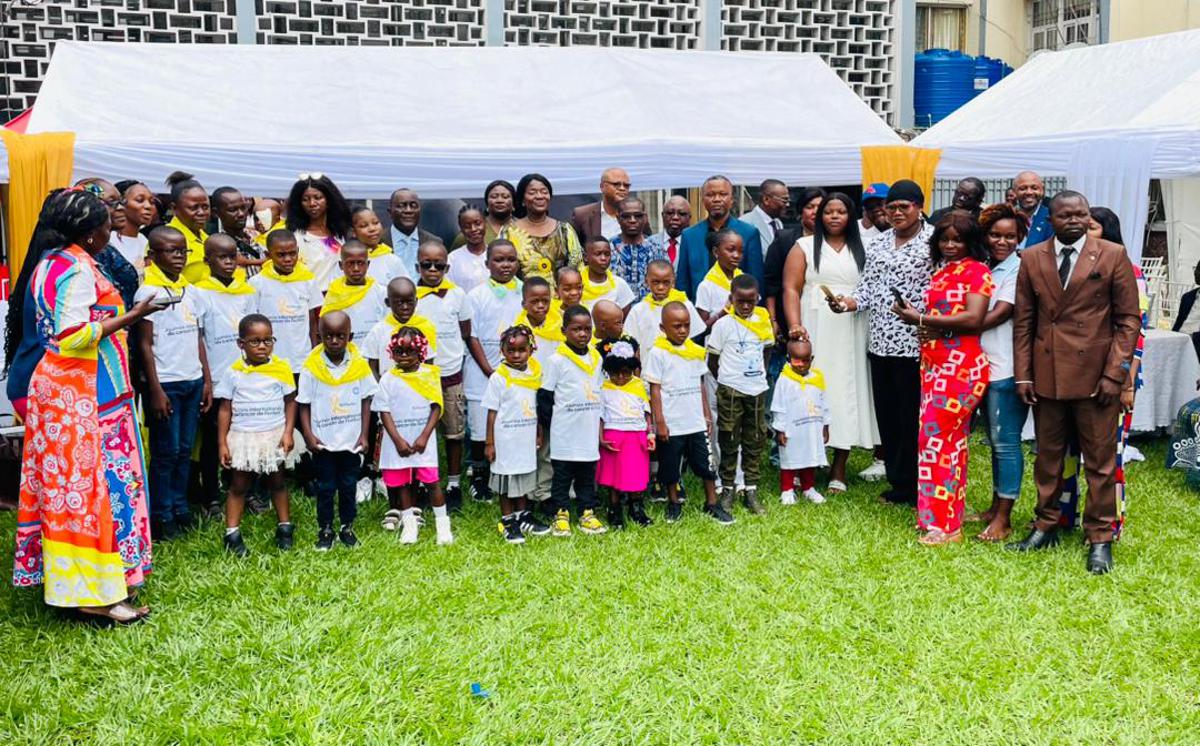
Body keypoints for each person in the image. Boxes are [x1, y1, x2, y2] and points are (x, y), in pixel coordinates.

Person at [9, 188, 159, 624]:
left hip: (64, 394)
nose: (111, 228)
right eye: (107, 223)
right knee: (91, 494)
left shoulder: (48, 262)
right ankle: (96, 595)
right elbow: (72, 335)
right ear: (92, 233)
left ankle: (80, 586)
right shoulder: (74, 269)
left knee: (68, 495)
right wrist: (133, 315)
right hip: (81, 398)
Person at [1008, 190, 1142, 574]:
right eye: (1065, 215)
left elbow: (1128, 320)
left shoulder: (1112, 254)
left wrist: (1115, 374)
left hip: (1097, 376)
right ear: (1050, 219)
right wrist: (1024, 373)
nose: (1075, 221)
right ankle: (1045, 524)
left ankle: (1100, 536)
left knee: (1099, 463)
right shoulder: (1032, 257)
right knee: (1048, 458)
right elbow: (1024, 322)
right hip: (1047, 374)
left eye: (1081, 214)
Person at [827, 179, 934, 507]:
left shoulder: (933, 241)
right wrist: (847, 303)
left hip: (915, 344)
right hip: (880, 343)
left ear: (919, 207)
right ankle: (899, 484)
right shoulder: (878, 244)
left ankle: (919, 485)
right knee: (888, 417)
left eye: (905, 207)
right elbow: (868, 288)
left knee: (911, 417)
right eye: (892, 207)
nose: (897, 212)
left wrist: (928, 319)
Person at [893, 212, 993, 545]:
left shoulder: (977, 271)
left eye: (958, 239)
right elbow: (942, 319)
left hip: (961, 367)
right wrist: (924, 323)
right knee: (939, 442)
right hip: (935, 364)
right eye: (944, 239)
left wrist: (920, 317)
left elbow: (975, 318)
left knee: (941, 442)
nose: (950, 245)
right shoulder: (944, 271)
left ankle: (947, 526)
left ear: (970, 242)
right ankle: (937, 515)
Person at [781, 192, 880, 491]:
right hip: (816, 324)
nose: (834, 217)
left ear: (850, 216)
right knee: (810, 390)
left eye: (841, 212)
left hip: (852, 325)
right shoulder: (803, 246)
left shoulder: (865, 247)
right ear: (819, 216)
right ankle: (801, 465)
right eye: (828, 212)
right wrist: (795, 325)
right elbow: (790, 289)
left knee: (847, 391)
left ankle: (839, 467)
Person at [134, 226, 212, 540]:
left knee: (183, 450)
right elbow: (144, 346)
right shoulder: (147, 292)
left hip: (192, 380)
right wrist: (154, 389)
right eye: (170, 250)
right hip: (165, 384)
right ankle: (161, 515)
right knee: (165, 453)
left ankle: (181, 508)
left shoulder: (191, 291)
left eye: (183, 250)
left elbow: (198, 337)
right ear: (152, 256)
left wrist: (206, 379)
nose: (178, 256)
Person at [215, 314, 297, 557]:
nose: (262, 346)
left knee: (277, 481)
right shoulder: (234, 373)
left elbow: (291, 402)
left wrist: (289, 431)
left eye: (267, 340)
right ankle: (232, 533)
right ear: (241, 344)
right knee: (239, 484)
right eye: (255, 341)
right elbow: (225, 408)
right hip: (244, 437)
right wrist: (222, 442)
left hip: (274, 434)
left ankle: (284, 527)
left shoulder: (281, 369)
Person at [970, 203, 1028, 542]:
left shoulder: (1019, 270)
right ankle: (994, 508)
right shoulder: (983, 268)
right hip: (979, 365)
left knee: (1006, 443)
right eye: (995, 234)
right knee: (993, 442)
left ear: (1020, 237)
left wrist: (946, 327)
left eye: (1010, 236)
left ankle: (1004, 519)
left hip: (1005, 367)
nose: (1001, 241)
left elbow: (997, 315)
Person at [297, 311, 377, 551]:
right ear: (319, 336)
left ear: (349, 337)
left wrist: (364, 434)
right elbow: (304, 404)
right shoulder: (311, 368)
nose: (334, 341)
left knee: (348, 485)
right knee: (325, 487)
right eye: (328, 336)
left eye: (340, 336)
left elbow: (366, 401)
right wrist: (309, 436)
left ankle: (347, 526)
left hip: (351, 440)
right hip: (324, 442)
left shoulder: (359, 366)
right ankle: (326, 529)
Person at [192, 234, 257, 517]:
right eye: (222, 257)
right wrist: (207, 380)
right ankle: (210, 496)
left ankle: (243, 488)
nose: (230, 262)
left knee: (243, 436)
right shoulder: (199, 292)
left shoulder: (247, 291)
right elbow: (199, 337)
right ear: (208, 261)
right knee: (211, 439)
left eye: (233, 256)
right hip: (216, 380)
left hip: (244, 378)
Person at [644, 302, 726, 524]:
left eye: (686, 326)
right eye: (676, 326)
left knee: (706, 465)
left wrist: (706, 414)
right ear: (663, 328)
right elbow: (655, 388)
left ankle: (712, 503)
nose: (682, 330)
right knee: (670, 466)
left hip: (696, 421)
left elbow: (700, 384)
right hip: (672, 423)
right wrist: (659, 421)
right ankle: (674, 502)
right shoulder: (658, 353)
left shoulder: (694, 351)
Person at [374, 326, 452, 545]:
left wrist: (424, 437)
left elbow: (437, 407)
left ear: (422, 352)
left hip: (422, 442)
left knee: (432, 483)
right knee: (403, 485)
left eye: (410, 351)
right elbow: (384, 410)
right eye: (399, 352)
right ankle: (409, 525)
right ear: (392, 353)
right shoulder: (388, 379)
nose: (405, 356)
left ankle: (442, 526)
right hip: (398, 443)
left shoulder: (430, 376)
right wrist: (397, 440)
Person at [463, 240, 525, 502]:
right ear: (487, 263)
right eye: (499, 260)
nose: (505, 265)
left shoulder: (524, 292)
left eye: (511, 259)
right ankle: (479, 476)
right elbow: (471, 336)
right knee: (480, 428)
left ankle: (508, 475)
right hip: (483, 372)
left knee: (511, 422)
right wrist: (489, 369)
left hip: (518, 371)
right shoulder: (476, 296)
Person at [538, 305, 607, 536]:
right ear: (564, 330)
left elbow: (599, 391)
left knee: (587, 475)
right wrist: (551, 426)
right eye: (576, 329)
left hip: (587, 430)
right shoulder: (556, 360)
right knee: (562, 476)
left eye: (587, 329)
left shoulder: (596, 358)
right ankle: (561, 514)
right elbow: (546, 397)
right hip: (564, 432)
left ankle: (587, 512)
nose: (582, 334)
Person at [707, 274, 773, 515]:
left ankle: (751, 488)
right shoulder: (723, 325)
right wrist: (727, 379)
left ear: (757, 299)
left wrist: (759, 374)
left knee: (754, 437)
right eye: (740, 301)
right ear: (731, 299)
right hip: (731, 390)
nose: (745, 306)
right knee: (729, 436)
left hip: (756, 389)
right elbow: (713, 359)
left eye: (750, 301)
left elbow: (768, 349)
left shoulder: (763, 321)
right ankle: (728, 487)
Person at [414, 241, 472, 511]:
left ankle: (454, 483)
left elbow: (465, 331)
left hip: (450, 374)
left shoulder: (457, 295)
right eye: (427, 264)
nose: (433, 269)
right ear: (418, 266)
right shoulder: (411, 297)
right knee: (423, 431)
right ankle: (426, 483)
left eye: (439, 265)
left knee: (454, 433)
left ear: (447, 267)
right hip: (421, 377)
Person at [484, 324, 552, 544]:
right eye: (510, 350)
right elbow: (492, 412)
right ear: (502, 351)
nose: (516, 355)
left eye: (521, 350)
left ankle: (523, 516)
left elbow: (537, 406)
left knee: (523, 476)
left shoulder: (535, 374)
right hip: (505, 440)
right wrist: (489, 442)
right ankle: (507, 519)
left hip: (526, 437)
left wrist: (539, 432)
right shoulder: (499, 377)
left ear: (531, 350)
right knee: (507, 479)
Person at [596, 336, 654, 528]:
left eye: (625, 373)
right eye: (615, 373)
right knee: (615, 475)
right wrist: (600, 437)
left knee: (635, 474)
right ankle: (614, 509)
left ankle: (636, 507)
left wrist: (650, 433)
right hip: (614, 436)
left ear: (632, 371)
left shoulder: (639, 386)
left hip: (636, 436)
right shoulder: (604, 388)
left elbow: (647, 412)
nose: (620, 378)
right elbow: (601, 416)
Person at [676, 175, 764, 298]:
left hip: (738, 311)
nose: (717, 199)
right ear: (702, 200)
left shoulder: (749, 233)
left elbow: (756, 280)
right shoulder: (689, 235)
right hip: (699, 312)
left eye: (723, 194)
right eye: (710, 195)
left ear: (732, 199)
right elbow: (682, 283)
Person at [514, 277, 561, 504]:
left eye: (545, 301)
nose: (541, 306)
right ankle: (526, 492)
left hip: (548, 397)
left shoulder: (558, 327)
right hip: (524, 396)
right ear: (524, 303)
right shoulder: (517, 332)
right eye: (534, 301)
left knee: (546, 448)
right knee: (528, 446)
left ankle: (543, 492)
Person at [249, 230, 322, 371]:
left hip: (301, 358)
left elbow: (313, 319)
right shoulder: (257, 283)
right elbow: (253, 321)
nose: (288, 259)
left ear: (298, 251)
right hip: (270, 359)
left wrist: (313, 351)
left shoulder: (308, 280)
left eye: (292, 253)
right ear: (268, 255)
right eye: (281, 255)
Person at [772, 338, 831, 505]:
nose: (801, 364)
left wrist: (825, 426)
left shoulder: (817, 379)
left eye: (806, 360)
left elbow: (824, 403)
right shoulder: (784, 380)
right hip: (792, 429)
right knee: (790, 458)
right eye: (796, 360)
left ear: (811, 359)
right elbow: (778, 406)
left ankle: (808, 488)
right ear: (788, 358)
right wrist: (780, 429)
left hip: (812, 428)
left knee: (809, 456)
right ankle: (787, 489)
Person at [512, 173, 582, 286]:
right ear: (522, 199)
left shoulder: (564, 230)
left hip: (562, 299)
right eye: (532, 192)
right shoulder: (509, 232)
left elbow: (578, 265)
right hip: (521, 299)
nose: (539, 196)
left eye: (544, 192)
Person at [286, 173, 352, 291]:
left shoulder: (338, 234)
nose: (312, 203)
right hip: (313, 300)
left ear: (328, 200)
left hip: (339, 298)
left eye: (317, 198)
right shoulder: (297, 237)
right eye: (305, 199)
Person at [624, 259, 704, 353]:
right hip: (648, 364)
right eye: (655, 282)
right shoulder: (638, 310)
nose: (661, 287)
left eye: (666, 282)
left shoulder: (685, 306)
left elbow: (693, 338)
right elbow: (631, 342)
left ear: (673, 282)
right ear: (646, 281)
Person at [363, 277, 438, 376]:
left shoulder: (425, 327)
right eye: (399, 303)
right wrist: (380, 389)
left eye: (409, 302)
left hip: (418, 386)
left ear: (416, 301)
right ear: (388, 303)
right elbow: (372, 367)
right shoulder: (378, 331)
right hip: (387, 388)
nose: (405, 307)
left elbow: (429, 363)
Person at [322, 241, 387, 345]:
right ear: (341, 265)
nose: (356, 269)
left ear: (368, 264)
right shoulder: (335, 293)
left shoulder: (380, 292)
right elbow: (327, 326)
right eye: (350, 263)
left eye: (360, 263)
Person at [610, 196, 666, 295]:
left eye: (638, 216)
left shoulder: (657, 249)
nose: (632, 220)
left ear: (645, 218)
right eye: (626, 216)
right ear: (618, 218)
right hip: (615, 308)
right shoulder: (608, 249)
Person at [164, 171, 211, 283]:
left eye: (205, 207)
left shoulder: (205, 238)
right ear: (174, 209)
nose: (201, 212)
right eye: (194, 208)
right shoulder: (166, 238)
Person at [452, 179, 523, 250]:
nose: (499, 200)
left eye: (505, 197)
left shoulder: (523, 228)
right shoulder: (473, 230)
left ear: (513, 202)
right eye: (494, 196)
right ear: (487, 202)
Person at [211, 186, 264, 279]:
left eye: (243, 208)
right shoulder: (217, 245)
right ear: (216, 213)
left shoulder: (256, 236)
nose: (241, 214)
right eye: (232, 210)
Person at [349, 206, 408, 286]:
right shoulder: (347, 260)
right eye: (364, 226)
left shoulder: (392, 260)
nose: (372, 229)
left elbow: (407, 288)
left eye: (376, 223)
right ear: (353, 232)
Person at [571, 167, 634, 242]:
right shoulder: (582, 215)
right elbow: (573, 249)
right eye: (616, 184)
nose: (622, 188)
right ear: (602, 187)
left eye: (626, 185)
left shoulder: (636, 216)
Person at [388, 188, 441, 270]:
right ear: (390, 212)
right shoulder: (378, 241)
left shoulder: (434, 242)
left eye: (413, 206)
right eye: (402, 206)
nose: (408, 211)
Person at [580, 236, 635, 311]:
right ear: (586, 257)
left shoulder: (619, 284)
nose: (603, 258)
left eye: (607, 254)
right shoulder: (577, 284)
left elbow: (625, 318)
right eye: (598, 254)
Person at [112, 179, 154, 274]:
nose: (148, 206)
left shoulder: (144, 241)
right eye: (140, 200)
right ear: (121, 204)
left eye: (152, 202)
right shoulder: (109, 241)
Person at [741, 179, 790, 258]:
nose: (787, 204)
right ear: (766, 200)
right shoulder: (745, 223)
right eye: (784, 200)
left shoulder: (778, 223)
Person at [447, 205, 490, 293]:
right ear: (461, 229)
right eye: (467, 226)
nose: (473, 229)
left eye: (477, 223)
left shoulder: (496, 255)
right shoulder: (453, 259)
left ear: (485, 223)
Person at [1014, 170, 1052, 248]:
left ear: (1042, 190)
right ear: (1014, 192)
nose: (1029, 192)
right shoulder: (1007, 217)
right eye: (1023, 188)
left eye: (1034, 188)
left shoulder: (1052, 219)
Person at [1172, 260, 1200, 361]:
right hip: (1179, 342)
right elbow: (1177, 325)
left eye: (1199, 269)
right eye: (1196, 268)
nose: (1196, 272)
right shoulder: (1187, 297)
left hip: (1194, 345)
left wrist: (1190, 339)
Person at [657, 195, 692, 272]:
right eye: (670, 213)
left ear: (689, 218)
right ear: (662, 216)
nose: (675, 217)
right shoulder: (650, 243)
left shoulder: (695, 244)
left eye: (681, 214)